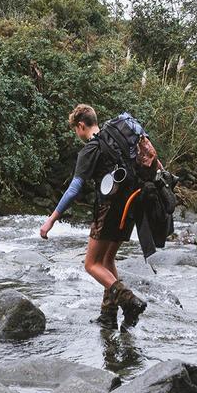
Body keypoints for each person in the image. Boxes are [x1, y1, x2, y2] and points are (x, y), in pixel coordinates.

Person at [39, 104, 148, 329]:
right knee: (107, 261)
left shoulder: (92, 149)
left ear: (81, 125)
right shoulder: (116, 142)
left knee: (90, 264)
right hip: (130, 206)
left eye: (75, 130)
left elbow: (74, 189)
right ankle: (109, 315)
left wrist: (51, 219)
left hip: (109, 209)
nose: (77, 135)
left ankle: (129, 301)